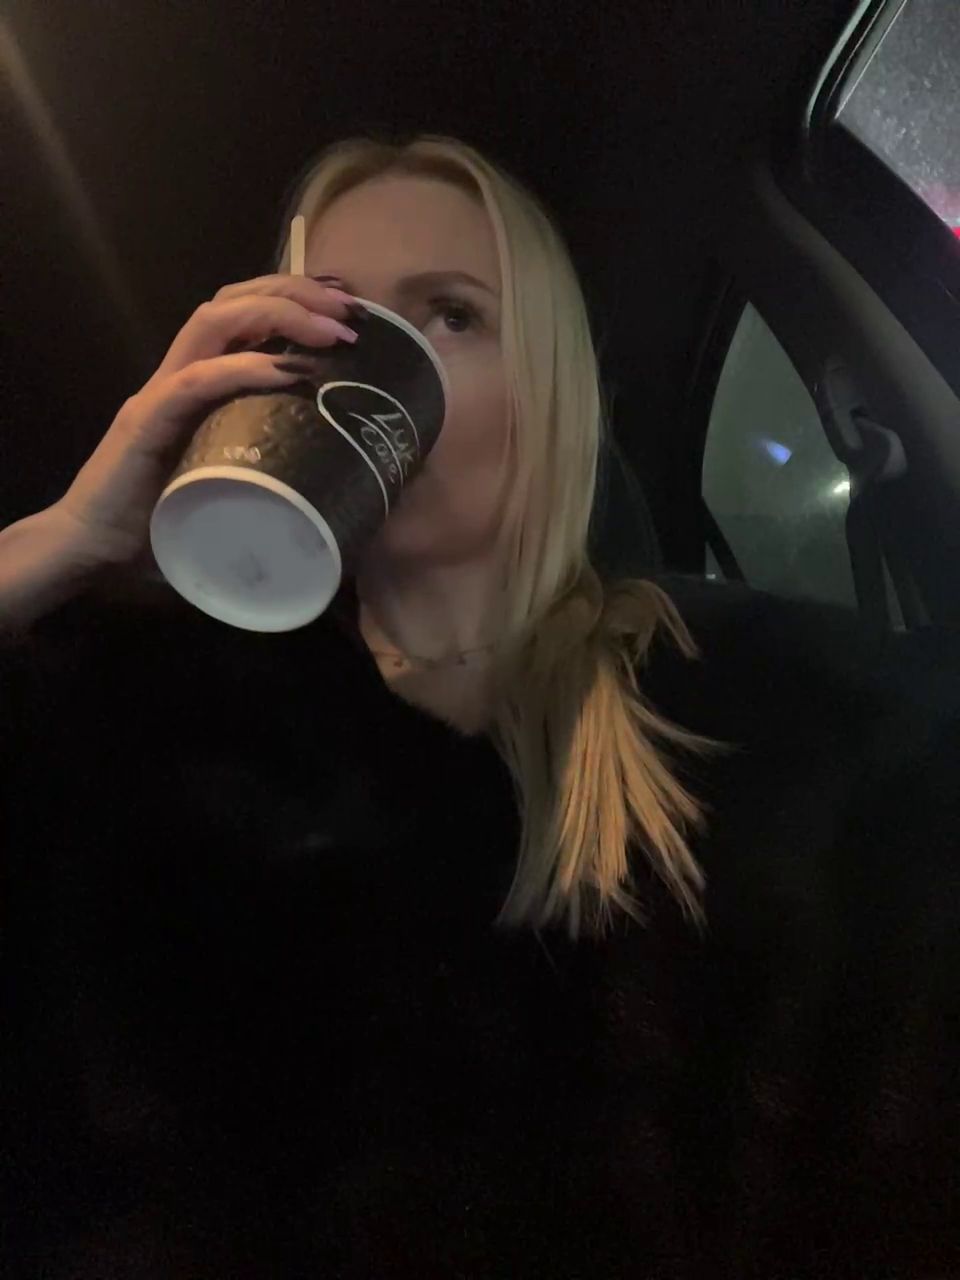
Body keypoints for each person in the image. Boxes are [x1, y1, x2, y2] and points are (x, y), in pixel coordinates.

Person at [0, 134, 958, 1279]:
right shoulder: (141, 722)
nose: (361, 355)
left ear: (548, 393)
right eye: (326, 317)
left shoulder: (794, 719)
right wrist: (62, 536)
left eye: (451, 314)